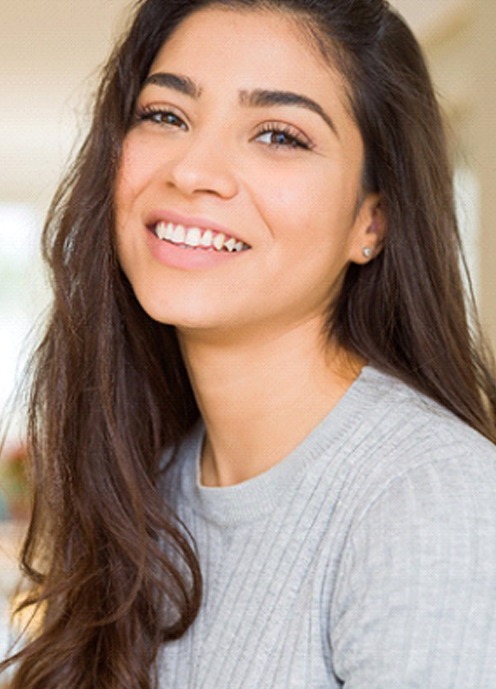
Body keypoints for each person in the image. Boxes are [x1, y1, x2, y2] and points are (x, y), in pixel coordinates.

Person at [2, 0, 496, 686]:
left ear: (372, 221)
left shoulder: (429, 499)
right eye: (166, 115)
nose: (194, 170)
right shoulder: (148, 482)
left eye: (279, 135)